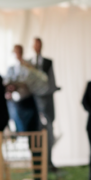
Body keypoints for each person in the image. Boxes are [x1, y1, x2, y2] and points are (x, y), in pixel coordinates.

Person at [31, 37, 59, 172]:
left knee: (48, 132)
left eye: (39, 44)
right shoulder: (28, 63)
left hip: (47, 103)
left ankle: (49, 161)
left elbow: (51, 82)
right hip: (33, 105)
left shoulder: (48, 62)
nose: (37, 47)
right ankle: (37, 162)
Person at [4, 44, 47, 133]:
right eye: (16, 52)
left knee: (33, 128)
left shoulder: (29, 65)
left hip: (29, 100)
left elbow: (40, 79)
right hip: (18, 103)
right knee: (21, 129)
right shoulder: (11, 69)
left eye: (20, 51)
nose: (18, 54)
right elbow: (7, 84)